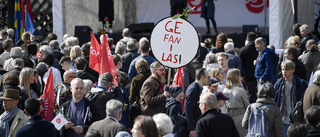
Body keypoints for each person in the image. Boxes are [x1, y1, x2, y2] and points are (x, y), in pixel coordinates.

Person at [274, 60, 308, 136]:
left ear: (293, 70)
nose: (284, 72)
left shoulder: (301, 84)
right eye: (283, 69)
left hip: (296, 119)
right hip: (282, 118)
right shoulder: (278, 84)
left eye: (287, 69)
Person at [222, 68, 249, 137]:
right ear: (236, 77)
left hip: (229, 117)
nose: (241, 77)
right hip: (241, 117)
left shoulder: (225, 90)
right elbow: (247, 106)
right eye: (239, 75)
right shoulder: (241, 90)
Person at [184, 68, 209, 137]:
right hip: (194, 126)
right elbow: (188, 110)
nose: (208, 80)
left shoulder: (197, 88)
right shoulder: (193, 89)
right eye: (208, 77)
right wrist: (192, 129)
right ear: (202, 77)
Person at [239, 32, 259, 103]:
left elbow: (240, 63)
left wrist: (241, 74)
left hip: (248, 75)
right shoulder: (259, 50)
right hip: (259, 75)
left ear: (247, 39)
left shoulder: (243, 49)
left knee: (250, 94)